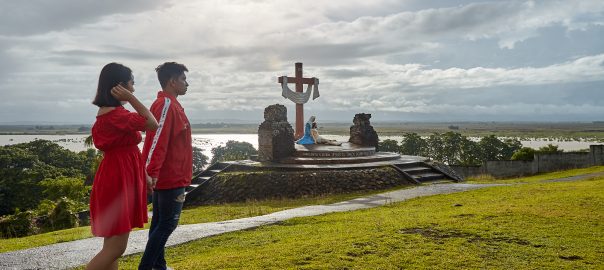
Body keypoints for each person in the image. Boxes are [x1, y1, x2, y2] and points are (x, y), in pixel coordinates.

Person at [87, 63, 159, 270]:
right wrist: (131, 98)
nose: (133, 89)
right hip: (118, 180)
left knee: (111, 246)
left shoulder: (112, 113)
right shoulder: (116, 115)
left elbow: (128, 151)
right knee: (116, 248)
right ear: (121, 86)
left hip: (117, 175)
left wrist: (143, 174)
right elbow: (152, 123)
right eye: (131, 84)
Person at [139, 62, 192, 270]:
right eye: (183, 79)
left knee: (159, 223)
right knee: (168, 224)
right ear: (172, 82)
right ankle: (146, 267)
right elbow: (157, 141)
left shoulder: (170, 104)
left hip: (169, 176)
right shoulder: (166, 105)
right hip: (170, 177)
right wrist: (151, 173)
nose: (187, 84)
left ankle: (159, 266)